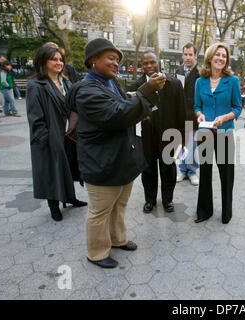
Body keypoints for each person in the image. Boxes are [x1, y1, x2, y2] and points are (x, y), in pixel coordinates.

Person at [67, 38, 165, 268]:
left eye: (118, 60)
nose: (116, 63)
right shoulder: (86, 91)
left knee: (119, 205)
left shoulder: (109, 83)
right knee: (100, 211)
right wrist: (148, 90)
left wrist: (141, 100)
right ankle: (97, 253)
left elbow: (126, 102)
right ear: (93, 60)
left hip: (120, 159)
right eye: (111, 58)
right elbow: (118, 114)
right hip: (102, 162)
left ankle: (118, 239)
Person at [26, 45, 87, 222]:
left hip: (68, 134)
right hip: (49, 136)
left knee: (67, 167)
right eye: (54, 59)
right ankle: (53, 206)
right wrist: (45, 139)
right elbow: (35, 117)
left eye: (60, 59)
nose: (59, 63)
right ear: (43, 61)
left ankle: (70, 198)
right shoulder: (36, 85)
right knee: (51, 171)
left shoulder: (66, 82)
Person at [128, 51, 186, 214]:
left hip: (169, 136)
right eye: (145, 63)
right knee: (148, 169)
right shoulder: (136, 86)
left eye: (152, 62)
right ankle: (150, 200)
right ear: (141, 65)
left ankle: (168, 200)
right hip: (145, 137)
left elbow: (181, 112)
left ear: (158, 63)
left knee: (168, 169)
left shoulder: (173, 84)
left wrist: (182, 137)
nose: (149, 66)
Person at [194, 42, 242, 224]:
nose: (221, 58)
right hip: (205, 132)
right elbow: (197, 106)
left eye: (224, 56)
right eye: (218, 55)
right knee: (205, 173)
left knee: (226, 174)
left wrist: (225, 117)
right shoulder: (200, 81)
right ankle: (204, 211)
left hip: (224, 133)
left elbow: (238, 108)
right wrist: (199, 115)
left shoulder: (233, 81)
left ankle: (226, 212)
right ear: (210, 57)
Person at [176, 42, 201, 186]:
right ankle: (183, 170)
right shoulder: (179, 70)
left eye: (190, 54)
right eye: (185, 54)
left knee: (192, 146)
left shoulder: (201, 71)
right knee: (182, 145)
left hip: (194, 115)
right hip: (180, 115)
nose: (188, 57)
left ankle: (191, 171)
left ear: (195, 55)